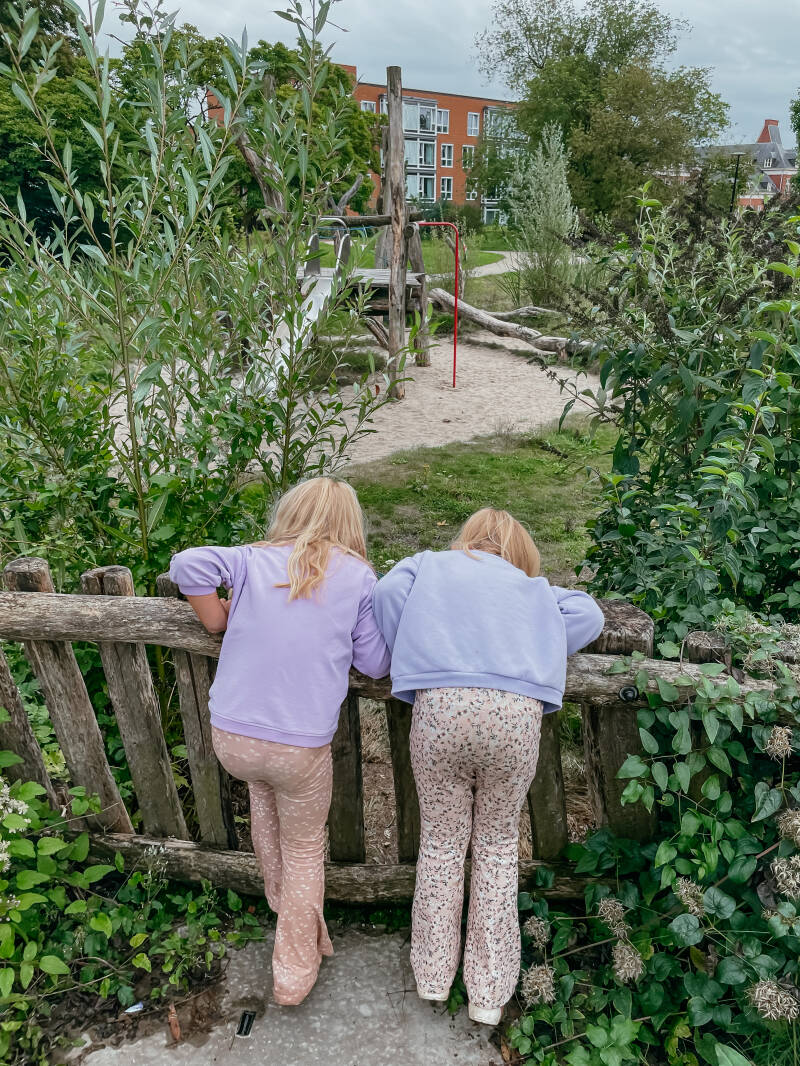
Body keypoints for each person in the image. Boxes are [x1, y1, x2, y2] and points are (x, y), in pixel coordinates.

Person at [372, 508, 604, 1026]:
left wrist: (407, 647)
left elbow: (385, 595)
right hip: (513, 719)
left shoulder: (427, 566)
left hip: (442, 713)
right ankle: (489, 992)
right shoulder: (535, 588)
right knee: (498, 847)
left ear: (466, 541)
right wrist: (535, 646)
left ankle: (433, 977)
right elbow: (591, 616)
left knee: (441, 842)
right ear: (520, 552)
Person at [169, 478, 390, 1007]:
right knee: (305, 847)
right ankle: (293, 970)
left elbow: (187, 565)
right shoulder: (358, 577)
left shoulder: (249, 560)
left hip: (233, 735)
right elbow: (375, 664)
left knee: (264, 801)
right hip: (299, 747)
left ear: (288, 512)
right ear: (350, 524)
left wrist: (217, 619)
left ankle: (280, 901)